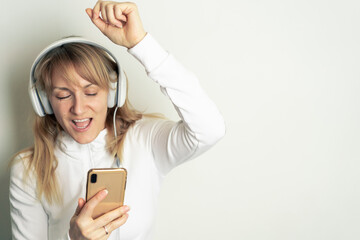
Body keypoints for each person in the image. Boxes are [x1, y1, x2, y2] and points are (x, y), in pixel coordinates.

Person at [9, 1, 225, 239]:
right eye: (63, 95)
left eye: (91, 92)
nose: (78, 109)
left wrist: (140, 43)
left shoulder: (146, 140)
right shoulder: (27, 169)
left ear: (113, 94)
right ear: (45, 102)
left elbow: (210, 129)